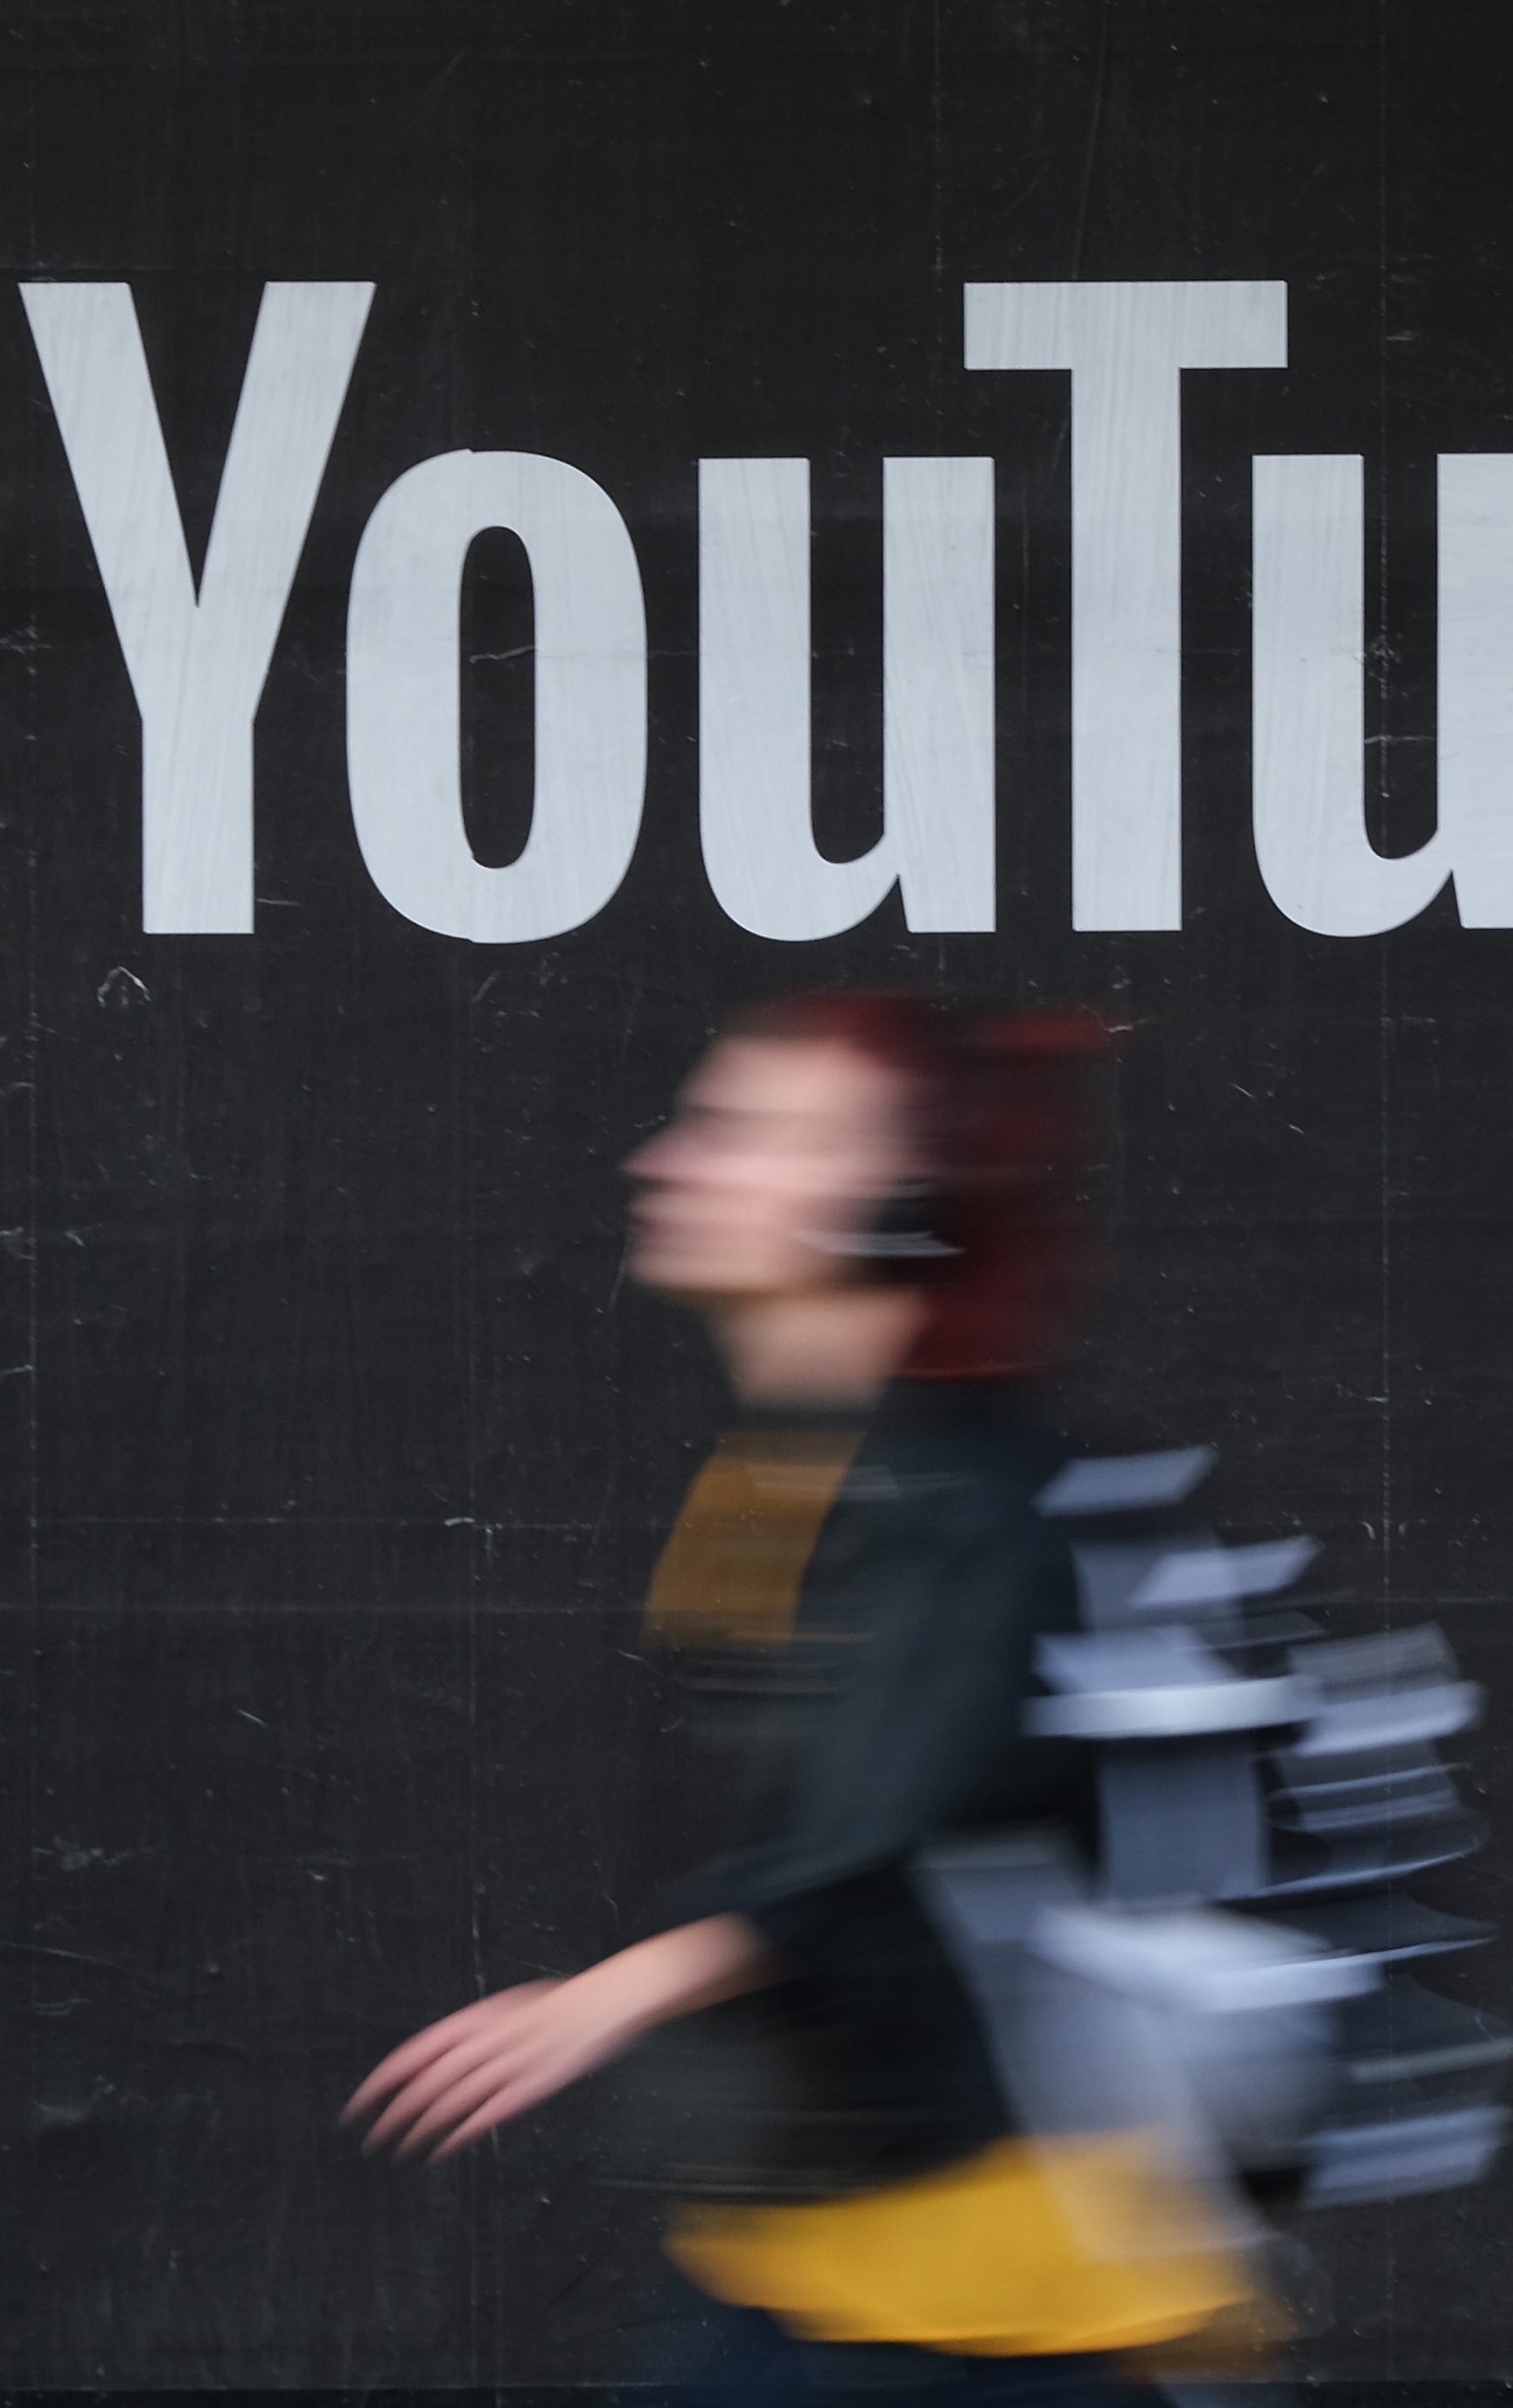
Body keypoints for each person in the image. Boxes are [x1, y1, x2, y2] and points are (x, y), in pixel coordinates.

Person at [348, 992, 1273, 2404]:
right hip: (798, 2262)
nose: (668, 1162)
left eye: (748, 1134)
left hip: (995, 2311)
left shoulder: (966, 1499)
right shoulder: (800, 1468)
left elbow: (899, 1830)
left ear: (894, 1204)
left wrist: (605, 1997)